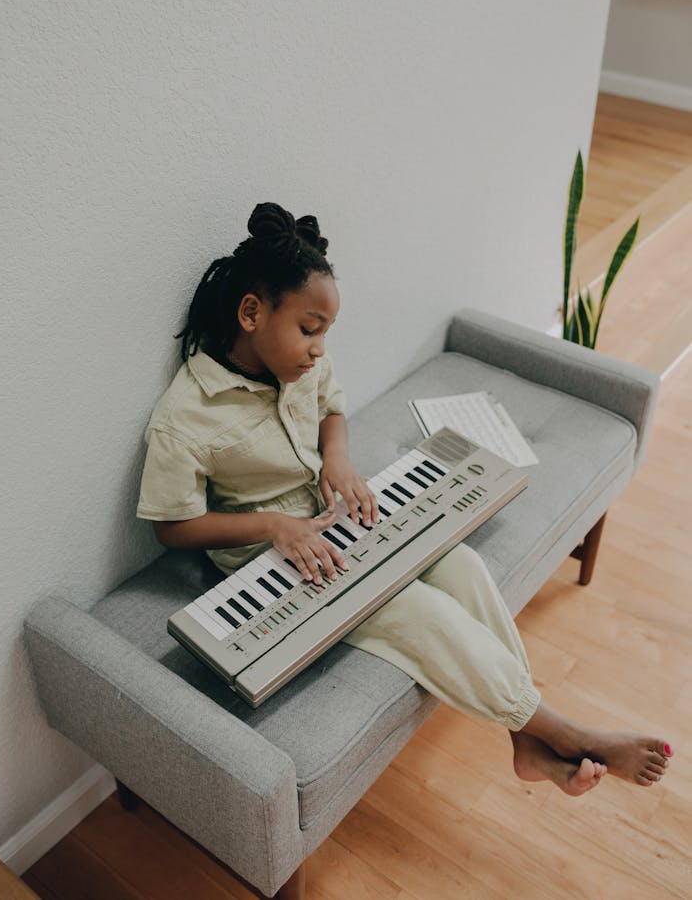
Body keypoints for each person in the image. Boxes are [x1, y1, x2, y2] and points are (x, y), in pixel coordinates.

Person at [137, 202, 673, 797]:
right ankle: (565, 732)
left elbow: (333, 411)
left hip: (338, 518)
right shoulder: (185, 415)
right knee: (428, 615)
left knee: (463, 566)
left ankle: (525, 739)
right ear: (251, 313)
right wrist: (272, 525)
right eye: (309, 330)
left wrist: (336, 460)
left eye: (325, 334)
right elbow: (172, 526)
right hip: (282, 559)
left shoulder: (298, 363)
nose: (319, 349)